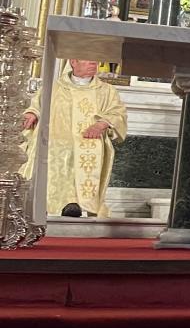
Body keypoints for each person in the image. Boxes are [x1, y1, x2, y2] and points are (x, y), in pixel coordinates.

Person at [21, 60, 128, 217]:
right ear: (73, 62)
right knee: (49, 154)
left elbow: (118, 113)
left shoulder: (106, 90)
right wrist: (32, 114)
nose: (94, 63)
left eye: (96, 61)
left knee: (78, 156)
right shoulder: (54, 87)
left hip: (88, 138)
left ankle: (75, 204)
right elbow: (37, 106)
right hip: (54, 138)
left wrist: (101, 124)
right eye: (88, 60)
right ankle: (44, 203)